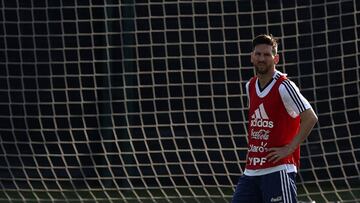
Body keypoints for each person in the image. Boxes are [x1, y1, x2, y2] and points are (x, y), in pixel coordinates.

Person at [231, 34, 318, 203]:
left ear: (275, 58)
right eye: (258, 54)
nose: (261, 58)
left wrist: (289, 149)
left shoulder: (284, 86)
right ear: (252, 57)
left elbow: (310, 117)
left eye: (266, 55)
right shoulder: (250, 85)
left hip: (278, 170)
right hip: (251, 171)